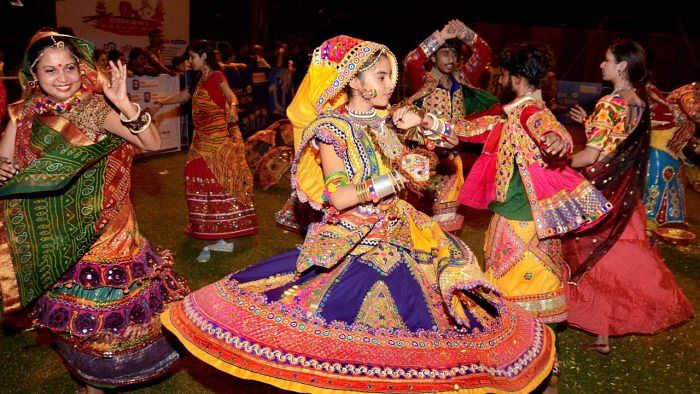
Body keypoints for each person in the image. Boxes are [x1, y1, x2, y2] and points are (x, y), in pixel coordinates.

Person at [161, 35, 557, 393]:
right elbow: (339, 197)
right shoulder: (331, 128)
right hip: (355, 236)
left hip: (403, 230)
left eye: (390, 77)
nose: (390, 85)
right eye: (381, 77)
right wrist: (395, 178)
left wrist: (419, 155)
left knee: (434, 322)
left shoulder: (387, 120)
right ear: (353, 80)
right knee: (351, 325)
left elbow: (435, 151)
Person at [0, 31, 188, 393]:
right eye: (51, 70)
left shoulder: (92, 108)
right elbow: (6, 159)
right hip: (52, 234)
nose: (63, 77)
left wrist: (125, 104)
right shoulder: (23, 114)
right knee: (69, 315)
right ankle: (87, 376)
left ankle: (101, 379)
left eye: (69, 67)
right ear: (34, 76)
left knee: (102, 313)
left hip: (105, 234)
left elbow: (151, 141)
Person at [457, 42, 612, 391]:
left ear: (516, 77)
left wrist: (559, 141)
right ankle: (544, 370)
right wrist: (425, 121)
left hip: (523, 225)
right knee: (533, 297)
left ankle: (528, 369)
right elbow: (468, 129)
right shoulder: (509, 113)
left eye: (502, 76)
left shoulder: (530, 112)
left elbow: (551, 131)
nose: (498, 81)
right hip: (525, 221)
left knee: (515, 301)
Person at [565, 39, 693, 354]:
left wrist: (554, 159)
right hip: (624, 192)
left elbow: (593, 154)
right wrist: (588, 122)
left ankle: (591, 324)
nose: (601, 65)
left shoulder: (611, 103)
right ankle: (603, 334)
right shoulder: (637, 102)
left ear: (622, 65)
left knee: (591, 256)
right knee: (612, 260)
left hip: (601, 191)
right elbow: (617, 143)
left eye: (606, 60)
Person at [154, 40, 258, 240]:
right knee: (194, 175)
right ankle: (206, 223)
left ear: (204, 56)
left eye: (192, 56)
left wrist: (234, 107)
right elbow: (184, 95)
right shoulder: (198, 79)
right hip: (200, 138)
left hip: (217, 140)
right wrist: (160, 103)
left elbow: (231, 96)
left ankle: (229, 223)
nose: (189, 61)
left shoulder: (216, 76)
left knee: (219, 178)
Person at [403, 20, 500, 232]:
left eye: (454, 54)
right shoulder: (423, 80)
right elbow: (411, 61)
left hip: (452, 159)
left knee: (449, 217)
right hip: (422, 158)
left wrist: (465, 33)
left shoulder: (463, 78)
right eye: (445, 53)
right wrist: (440, 37)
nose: (451, 59)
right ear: (434, 57)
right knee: (420, 217)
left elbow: (484, 53)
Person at [643, 81, 698, 228]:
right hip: (661, 144)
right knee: (658, 181)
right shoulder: (689, 94)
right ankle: (648, 220)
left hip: (673, 145)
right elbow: (696, 114)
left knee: (672, 181)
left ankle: (670, 218)